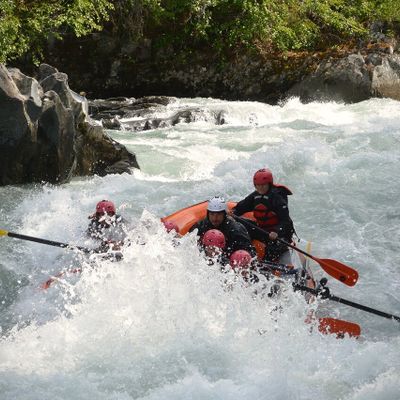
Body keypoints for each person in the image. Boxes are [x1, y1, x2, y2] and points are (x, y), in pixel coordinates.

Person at [231, 168, 294, 263]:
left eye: (263, 185)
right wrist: (233, 213)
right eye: (258, 185)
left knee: (273, 249)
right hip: (263, 230)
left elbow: (285, 221)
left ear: (269, 184)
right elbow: (241, 207)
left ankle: (265, 265)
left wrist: (276, 231)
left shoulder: (278, 198)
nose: (260, 188)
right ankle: (245, 253)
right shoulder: (255, 196)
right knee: (239, 225)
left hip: (279, 234)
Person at [190, 196, 256, 258]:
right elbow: (188, 241)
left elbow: (250, 252)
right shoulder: (202, 225)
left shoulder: (235, 229)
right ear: (208, 214)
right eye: (212, 214)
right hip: (210, 258)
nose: (215, 218)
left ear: (224, 214)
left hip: (230, 258)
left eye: (218, 214)